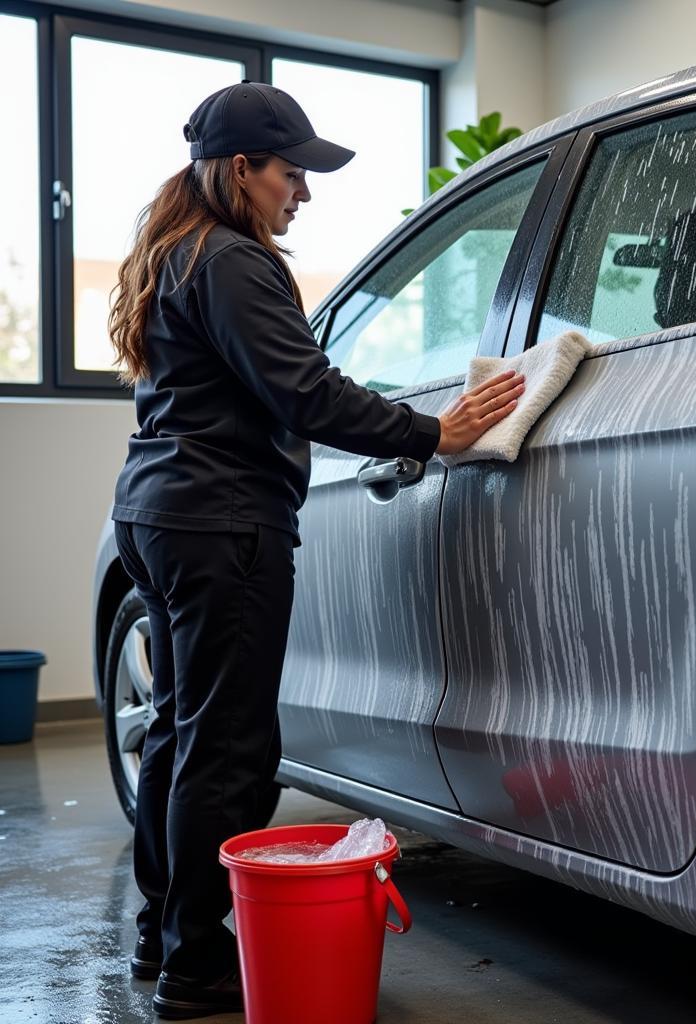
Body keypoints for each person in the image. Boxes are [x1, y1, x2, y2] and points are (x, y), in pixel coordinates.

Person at [106, 80, 524, 1020]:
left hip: (160, 512)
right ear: (241, 169)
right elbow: (308, 392)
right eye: (292, 173)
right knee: (228, 751)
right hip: (223, 522)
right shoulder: (236, 264)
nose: (304, 192)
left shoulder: (174, 253)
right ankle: (197, 969)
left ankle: (163, 938)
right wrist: (434, 432)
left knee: (180, 736)